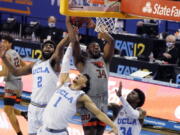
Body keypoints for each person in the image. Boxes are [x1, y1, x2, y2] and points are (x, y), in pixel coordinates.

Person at [37, 38, 118, 135]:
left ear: (84, 84)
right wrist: (72, 41)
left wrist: (113, 126)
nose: (79, 75)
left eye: (82, 76)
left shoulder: (81, 96)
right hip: (43, 130)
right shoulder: (65, 83)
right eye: (79, 74)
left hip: (58, 132)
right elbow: (66, 60)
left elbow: (98, 113)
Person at [0, 35, 69, 135]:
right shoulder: (34, 64)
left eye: (51, 46)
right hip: (33, 107)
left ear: (54, 51)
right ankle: (25, 114)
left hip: (47, 108)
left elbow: (60, 47)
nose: (48, 47)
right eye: (46, 46)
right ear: (41, 49)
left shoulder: (54, 63)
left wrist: (69, 34)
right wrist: (3, 58)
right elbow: (15, 72)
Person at [66, 16, 115, 135]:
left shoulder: (105, 60)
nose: (96, 47)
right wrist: (69, 23)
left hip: (103, 101)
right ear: (87, 50)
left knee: (99, 133)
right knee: (89, 133)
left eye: (97, 46)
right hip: (88, 101)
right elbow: (75, 42)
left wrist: (98, 28)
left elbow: (111, 41)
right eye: (93, 46)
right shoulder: (82, 63)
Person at [0, 35, 27, 135]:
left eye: (5, 42)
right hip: (19, 84)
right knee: (8, 109)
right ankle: (24, 113)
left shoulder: (6, 54)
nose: (3, 43)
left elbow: (4, 73)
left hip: (11, 84)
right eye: (2, 41)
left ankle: (19, 133)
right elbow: (24, 65)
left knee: (8, 110)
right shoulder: (15, 52)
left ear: (10, 44)